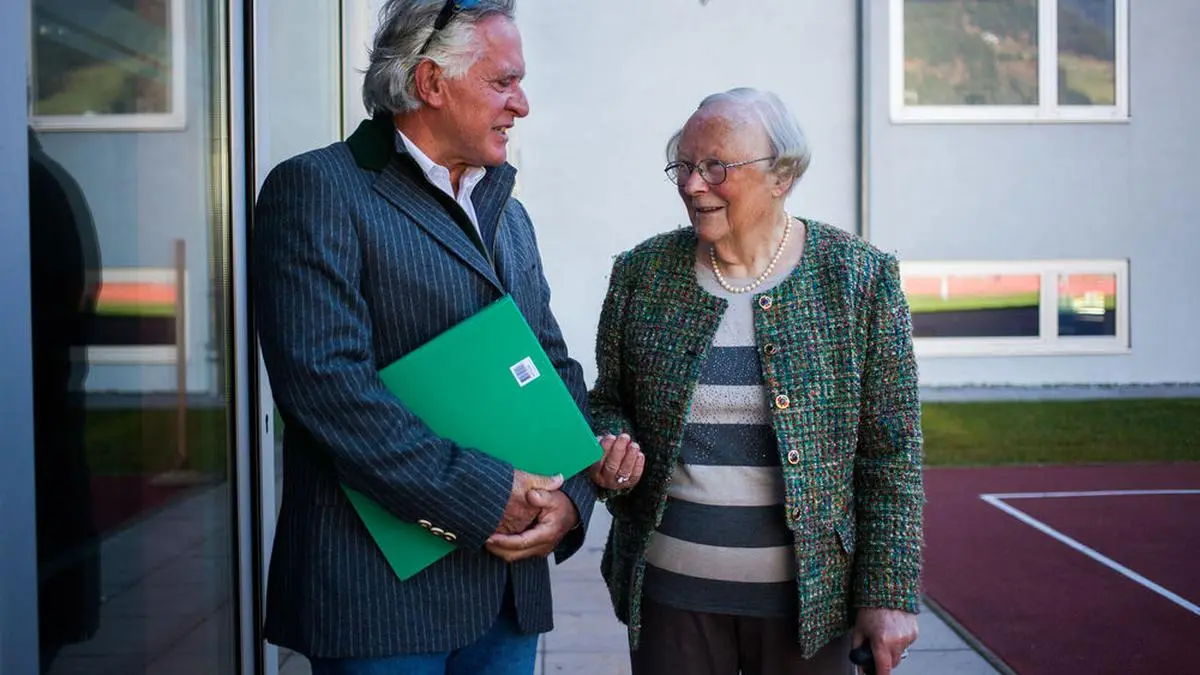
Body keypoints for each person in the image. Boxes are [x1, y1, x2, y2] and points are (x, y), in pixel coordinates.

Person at [252, 1, 602, 672]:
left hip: (507, 593)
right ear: (431, 83)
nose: (522, 104)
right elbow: (328, 389)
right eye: (504, 82)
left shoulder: (509, 209)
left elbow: (553, 366)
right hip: (380, 597)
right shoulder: (318, 188)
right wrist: (488, 494)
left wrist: (570, 502)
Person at [587, 87, 925, 675]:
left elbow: (890, 453)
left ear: (782, 175)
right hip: (672, 599)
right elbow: (609, 402)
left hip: (809, 609)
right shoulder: (642, 274)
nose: (693, 185)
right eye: (685, 165)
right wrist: (611, 447)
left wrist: (888, 593)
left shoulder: (859, 278)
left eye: (717, 166)